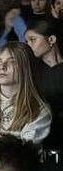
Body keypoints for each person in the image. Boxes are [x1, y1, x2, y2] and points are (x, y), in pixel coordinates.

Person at [25, 18, 63, 147]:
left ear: (51, 39)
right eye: (27, 41)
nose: (28, 45)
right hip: (40, 132)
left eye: (33, 40)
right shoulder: (30, 71)